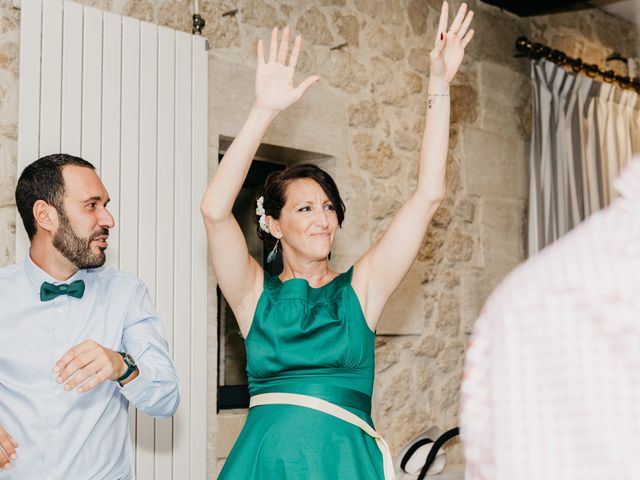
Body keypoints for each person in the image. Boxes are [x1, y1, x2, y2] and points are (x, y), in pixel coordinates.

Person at [201, 2, 474, 478]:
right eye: (305, 208)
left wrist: (438, 87)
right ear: (273, 224)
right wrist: (263, 110)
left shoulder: (360, 291)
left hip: (345, 463)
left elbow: (428, 195)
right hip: (265, 463)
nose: (323, 219)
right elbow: (213, 210)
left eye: (329, 208)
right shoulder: (252, 296)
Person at [0, 154, 180, 479]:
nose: (108, 219)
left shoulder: (127, 294)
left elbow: (166, 398)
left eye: (105, 205)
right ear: (45, 215)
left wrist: (121, 366)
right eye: (92, 205)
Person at [460, 157, 640, 480]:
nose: (332, 219)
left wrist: (437, 100)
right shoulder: (544, 298)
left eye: (334, 208)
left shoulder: (525, 295)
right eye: (331, 206)